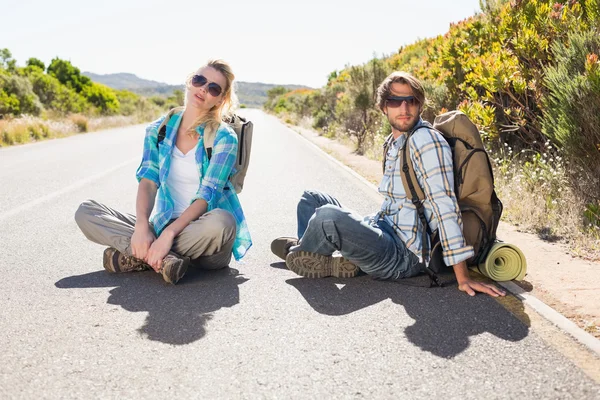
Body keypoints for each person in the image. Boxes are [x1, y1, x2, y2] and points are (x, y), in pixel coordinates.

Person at [271, 71, 505, 297]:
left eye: (411, 101)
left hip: (403, 255)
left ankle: (303, 253)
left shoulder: (425, 140)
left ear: (420, 105)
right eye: (395, 101)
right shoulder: (393, 142)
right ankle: (318, 256)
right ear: (384, 106)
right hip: (383, 227)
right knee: (311, 199)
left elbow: (444, 206)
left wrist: (462, 277)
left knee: (326, 216)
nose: (404, 108)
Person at [75, 60, 252, 284]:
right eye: (199, 80)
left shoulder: (224, 137)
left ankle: (143, 255)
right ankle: (164, 259)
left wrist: (168, 235)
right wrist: (141, 226)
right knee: (86, 212)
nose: (204, 89)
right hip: (163, 223)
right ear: (190, 82)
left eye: (214, 88)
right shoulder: (158, 130)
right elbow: (148, 181)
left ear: (220, 100)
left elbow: (207, 196)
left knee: (223, 222)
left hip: (205, 236)